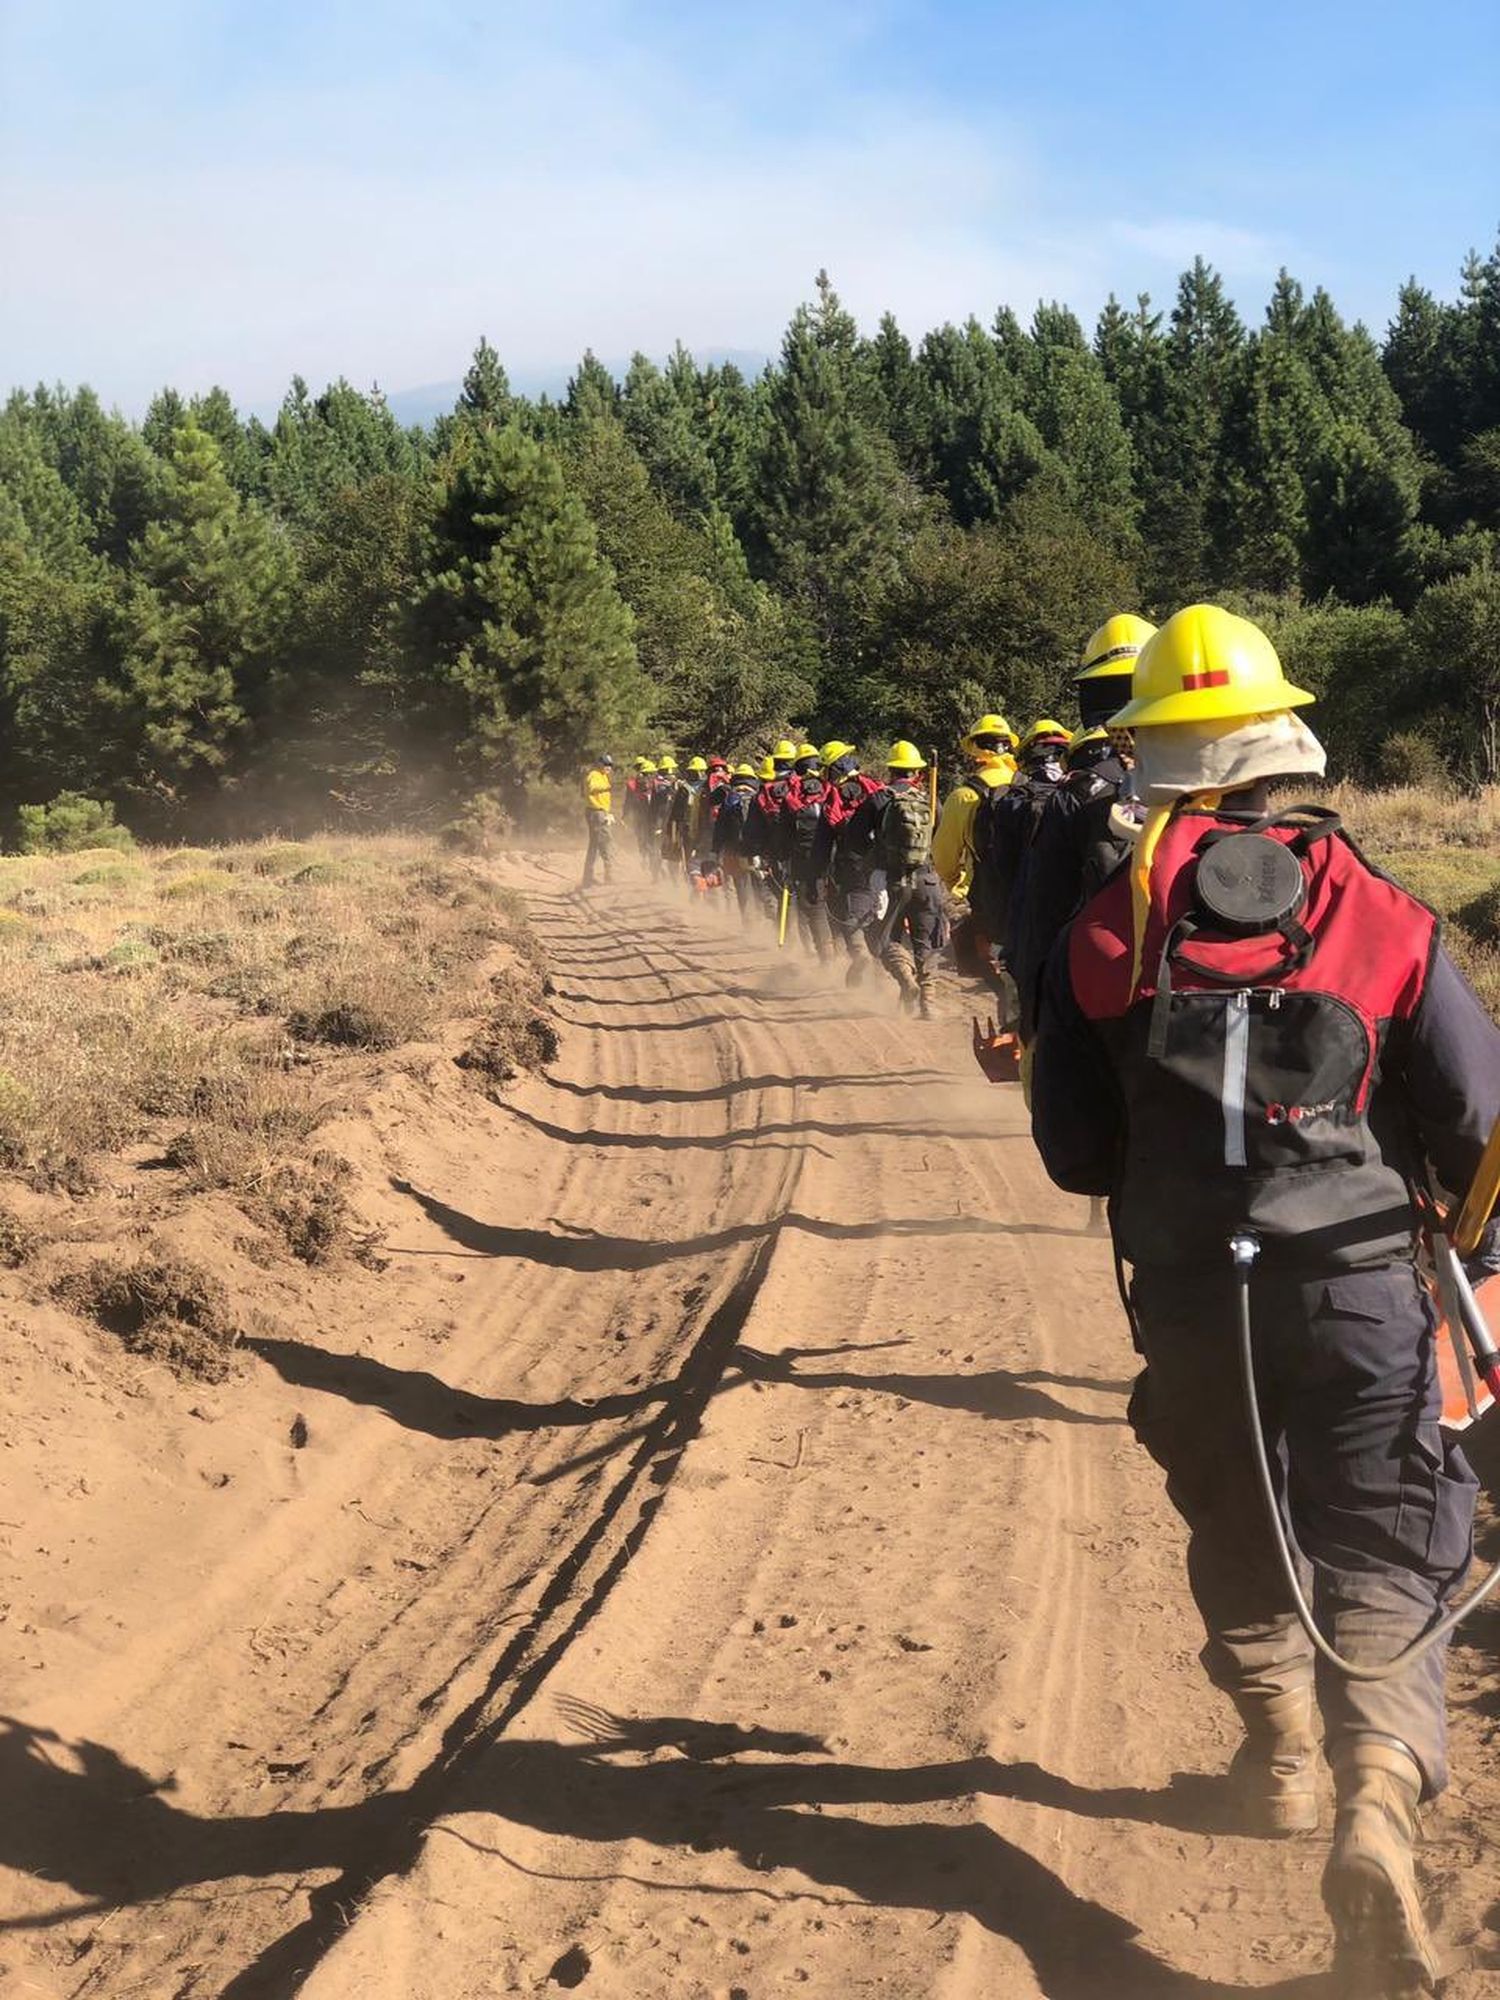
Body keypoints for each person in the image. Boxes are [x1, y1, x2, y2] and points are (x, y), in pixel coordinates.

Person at [1030, 603, 1500, 1997]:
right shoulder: (1383, 910)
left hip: (1188, 1303)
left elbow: (1074, 1154)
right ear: (1281, 744)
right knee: (1389, 1539)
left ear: (1151, 760)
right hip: (1359, 1291)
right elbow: (1480, 1119)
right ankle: (1373, 1796)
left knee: (1239, 1513)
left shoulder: (1103, 933)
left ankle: (1280, 1754)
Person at [842, 740, 946, 1017]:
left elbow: (854, 840)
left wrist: (871, 861)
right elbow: (941, 838)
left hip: (890, 881)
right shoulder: (930, 798)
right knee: (926, 940)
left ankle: (905, 979)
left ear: (890, 770)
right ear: (917, 773)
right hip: (927, 880)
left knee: (883, 937)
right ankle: (929, 1002)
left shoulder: (878, 799)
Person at [933, 712, 1018, 979]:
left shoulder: (964, 795)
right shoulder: (1027, 785)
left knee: (988, 967)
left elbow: (944, 857)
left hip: (985, 895)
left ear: (973, 749)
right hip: (1031, 888)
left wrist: (955, 884)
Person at [819, 740, 885, 984]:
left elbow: (830, 828)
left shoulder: (834, 793)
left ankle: (860, 955)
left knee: (851, 915)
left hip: (851, 863)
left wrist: (819, 869)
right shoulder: (876, 786)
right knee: (879, 914)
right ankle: (881, 973)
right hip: (883, 862)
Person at [712, 763, 762, 922]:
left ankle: (747, 922)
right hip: (757, 850)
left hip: (735, 850)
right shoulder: (759, 795)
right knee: (761, 887)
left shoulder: (730, 798)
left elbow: (720, 827)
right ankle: (766, 920)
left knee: (741, 887)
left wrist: (716, 850)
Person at [581, 753, 615, 888]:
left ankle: (590, 877)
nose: (608, 767)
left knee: (598, 844)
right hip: (595, 813)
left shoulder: (604, 776)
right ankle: (601, 876)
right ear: (599, 764)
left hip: (601, 812)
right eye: (606, 764)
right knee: (603, 842)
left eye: (610, 765)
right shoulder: (594, 775)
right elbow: (591, 787)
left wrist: (608, 813)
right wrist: (607, 787)